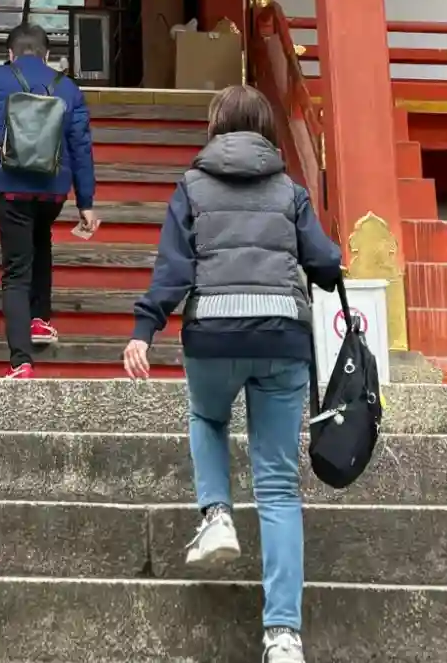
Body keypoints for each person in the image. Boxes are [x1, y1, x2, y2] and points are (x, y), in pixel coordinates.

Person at [123, 82, 341, 663]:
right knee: (278, 486)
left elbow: (173, 269)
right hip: (281, 337)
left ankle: (217, 513)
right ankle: (283, 637)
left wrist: (144, 329)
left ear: (216, 127)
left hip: (213, 333)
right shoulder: (290, 191)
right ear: (267, 130)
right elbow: (325, 264)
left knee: (207, 416)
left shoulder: (191, 187)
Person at [0, 21, 98, 376]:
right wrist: (85, 202)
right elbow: (81, 147)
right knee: (42, 241)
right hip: (53, 191)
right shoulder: (68, 88)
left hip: (11, 188)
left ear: (10, 54)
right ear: (47, 55)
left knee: (16, 272)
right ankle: (40, 319)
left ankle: (21, 360)